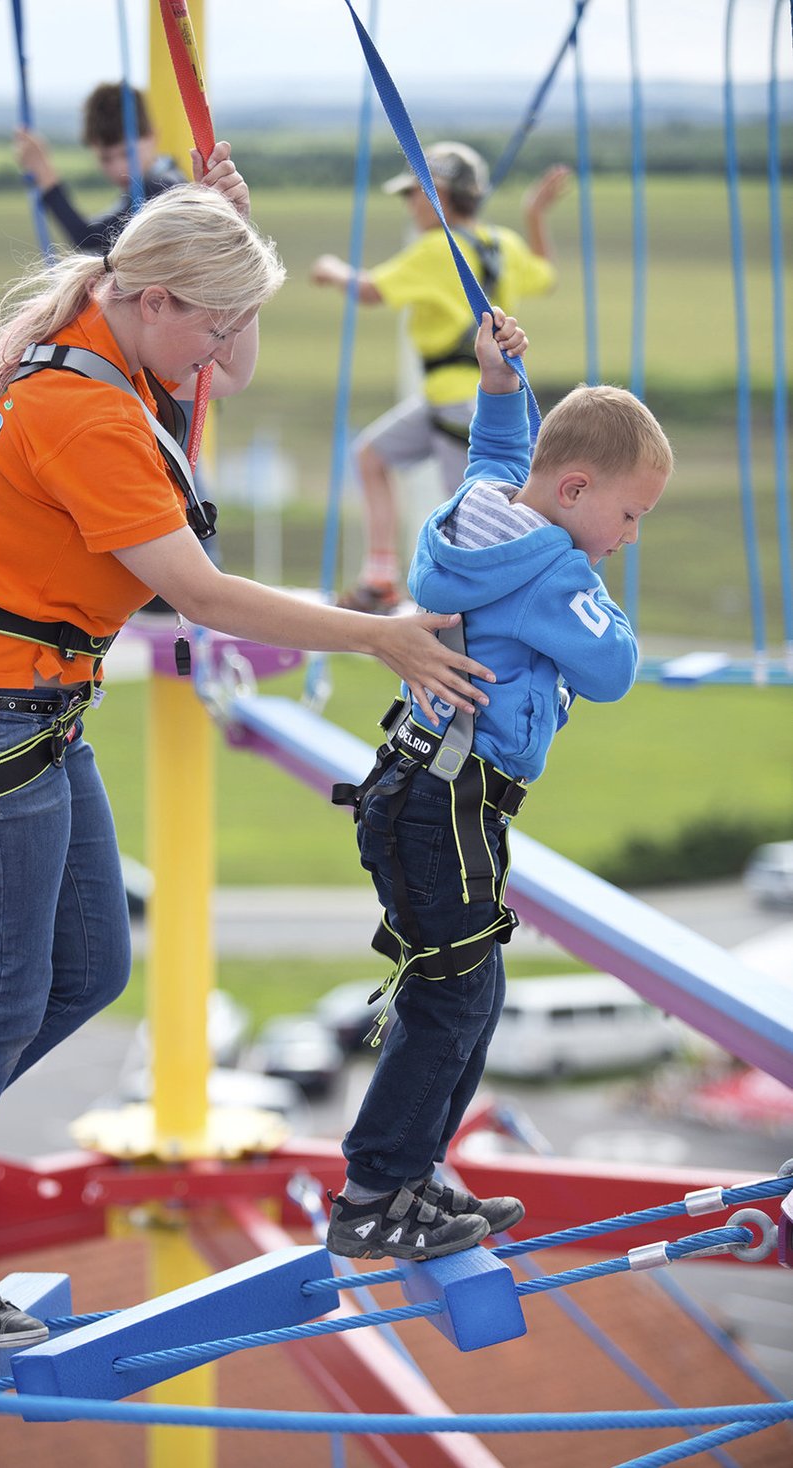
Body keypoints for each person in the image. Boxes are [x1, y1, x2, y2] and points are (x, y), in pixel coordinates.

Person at [0, 144, 498, 1348]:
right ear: (157, 300)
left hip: (15, 710)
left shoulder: (101, 318)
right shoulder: (85, 412)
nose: (224, 357)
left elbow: (212, 355)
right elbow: (205, 596)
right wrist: (379, 636)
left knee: (85, 969)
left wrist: (222, 224)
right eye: (213, 324)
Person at [327, 310, 673, 1260]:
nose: (630, 538)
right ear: (574, 490)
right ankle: (373, 1192)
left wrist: (498, 378)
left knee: (470, 990)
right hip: (448, 801)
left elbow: (498, 447)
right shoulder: (552, 575)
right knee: (454, 996)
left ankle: (414, 1172)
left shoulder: (480, 507)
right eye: (630, 515)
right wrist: (589, 588)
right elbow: (613, 670)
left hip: (424, 788)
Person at [310, 142, 569, 614]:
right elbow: (547, 274)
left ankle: (473, 610)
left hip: (456, 403)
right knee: (372, 454)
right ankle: (379, 577)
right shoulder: (501, 244)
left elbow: (370, 290)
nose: (410, 205)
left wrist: (331, 271)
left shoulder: (434, 249)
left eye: (413, 194)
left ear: (438, 196)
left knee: (470, 518)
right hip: (464, 397)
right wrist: (535, 213)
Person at [14, 81, 188, 254]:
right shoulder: (171, 177)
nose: (119, 168)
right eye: (105, 158)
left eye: (126, 153)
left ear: (152, 137)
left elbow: (89, 238)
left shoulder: (160, 187)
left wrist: (44, 174)